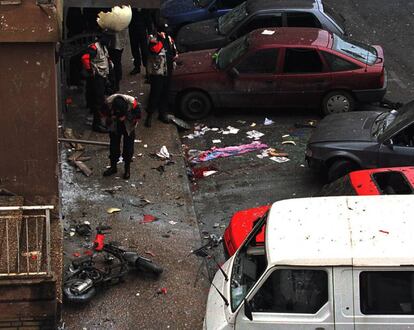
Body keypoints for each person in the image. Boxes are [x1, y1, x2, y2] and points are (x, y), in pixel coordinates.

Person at [145, 20, 178, 127]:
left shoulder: (169, 39)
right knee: (155, 94)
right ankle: (149, 115)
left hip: (168, 70)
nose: (166, 33)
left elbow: (174, 51)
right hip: (157, 72)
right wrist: (162, 40)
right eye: (164, 31)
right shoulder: (153, 39)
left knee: (165, 93)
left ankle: (162, 113)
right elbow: (155, 50)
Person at [102, 94, 142, 179]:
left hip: (128, 125)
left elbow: (138, 116)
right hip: (115, 124)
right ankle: (113, 167)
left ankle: (127, 169)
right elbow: (103, 113)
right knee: (113, 146)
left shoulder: (133, 103)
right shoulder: (108, 102)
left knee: (128, 148)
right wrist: (111, 117)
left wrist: (127, 116)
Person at [81, 33, 113, 133]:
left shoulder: (103, 47)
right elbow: (85, 58)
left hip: (101, 76)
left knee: (97, 99)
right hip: (97, 77)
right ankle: (97, 124)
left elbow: (105, 58)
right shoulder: (95, 48)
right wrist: (90, 70)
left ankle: (98, 120)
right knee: (98, 101)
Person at [129, 8, 153, 75]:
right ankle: (137, 66)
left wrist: (150, 32)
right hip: (132, 28)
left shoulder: (144, 6)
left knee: (144, 50)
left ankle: (147, 69)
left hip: (142, 29)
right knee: (134, 48)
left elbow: (148, 18)